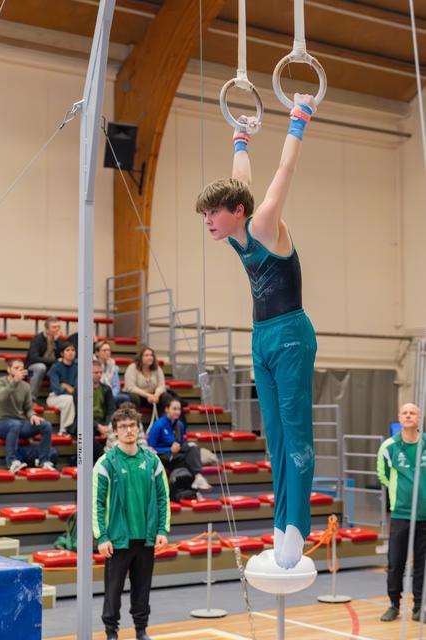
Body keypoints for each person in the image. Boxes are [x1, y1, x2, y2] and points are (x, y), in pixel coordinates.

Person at [195, 94, 317, 569]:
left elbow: (281, 176)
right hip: (261, 336)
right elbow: (239, 180)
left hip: (290, 334)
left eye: (213, 214)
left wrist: (298, 121)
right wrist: (240, 136)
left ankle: (297, 529)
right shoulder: (237, 225)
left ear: (238, 212)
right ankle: (280, 522)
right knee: (274, 436)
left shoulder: (263, 223)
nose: (208, 222)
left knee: (296, 433)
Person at [93, 405, 170, 640]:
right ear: (115, 432)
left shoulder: (152, 460)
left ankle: (141, 630)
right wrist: (102, 536)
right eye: (123, 427)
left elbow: (163, 497)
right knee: (113, 591)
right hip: (117, 540)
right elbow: (97, 504)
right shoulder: (106, 463)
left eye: (132, 426)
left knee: (142, 590)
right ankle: (111, 632)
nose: (128, 430)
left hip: (145, 538)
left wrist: (162, 530)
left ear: (139, 429)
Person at [377, 402, 426, 623]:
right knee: (396, 562)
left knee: (421, 564)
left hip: (424, 515)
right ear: (399, 417)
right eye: (405, 413)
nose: (408, 416)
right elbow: (383, 475)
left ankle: (418, 607)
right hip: (400, 515)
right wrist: (400, 495)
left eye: (412, 413)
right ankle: (394, 604)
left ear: (419, 418)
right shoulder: (389, 446)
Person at [0, 358, 54, 472]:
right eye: (16, 368)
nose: (20, 370)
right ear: (9, 370)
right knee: (15, 425)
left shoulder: (25, 386)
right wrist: (14, 382)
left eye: (21, 368)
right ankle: (12, 462)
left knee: (46, 425)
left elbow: (28, 408)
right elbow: (1, 397)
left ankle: (43, 461)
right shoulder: (1, 382)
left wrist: (32, 415)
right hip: (2, 422)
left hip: (19, 423)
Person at [147, 396, 211, 491]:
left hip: (175, 452)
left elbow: (180, 444)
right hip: (162, 455)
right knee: (187, 460)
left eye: (179, 409)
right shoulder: (158, 425)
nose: (177, 412)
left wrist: (177, 448)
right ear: (167, 409)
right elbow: (150, 448)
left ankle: (198, 477)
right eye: (174, 409)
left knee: (192, 446)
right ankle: (195, 484)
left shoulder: (180, 425)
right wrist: (169, 449)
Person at [25, 316, 65, 403]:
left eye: (58, 327)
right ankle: (31, 399)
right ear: (47, 330)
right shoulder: (37, 339)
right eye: (54, 327)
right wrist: (54, 361)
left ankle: (59, 396)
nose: (57, 329)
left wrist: (57, 341)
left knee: (64, 365)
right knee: (41, 367)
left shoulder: (59, 340)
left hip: (51, 369)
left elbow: (62, 355)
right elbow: (34, 358)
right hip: (30, 371)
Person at [123, 346, 167, 414]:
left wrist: (156, 395)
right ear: (140, 357)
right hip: (138, 396)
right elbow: (130, 387)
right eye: (146, 355)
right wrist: (148, 395)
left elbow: (162, 385)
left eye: (151, 355)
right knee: (134, 398)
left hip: (153, 395)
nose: (150, 357)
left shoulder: (157, 368)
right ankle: (136, 422)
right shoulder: (132, 367)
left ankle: (164, 422)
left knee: (166, 397)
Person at [47, 342, 77, 435]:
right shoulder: (55, 367)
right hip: (54, 397)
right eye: (67, 350)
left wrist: (65, 386)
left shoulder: (77, 368)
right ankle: (63, 430)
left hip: (70, 397)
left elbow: (76, 390)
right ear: (62, 353)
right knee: (69, 399)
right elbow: (56, 389)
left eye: (73, 350)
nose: (71, 352)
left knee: (71, 399)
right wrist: (67, 389)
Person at [94, 340, 129, 406]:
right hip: (97, 392)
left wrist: (111, 395)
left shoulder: (113, 366)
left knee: (128, 398)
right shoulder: (92, 365)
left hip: (110, 393)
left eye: (109, 350)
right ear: (97, 353)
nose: (107, 352)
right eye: (104, 350)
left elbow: (116, 385)